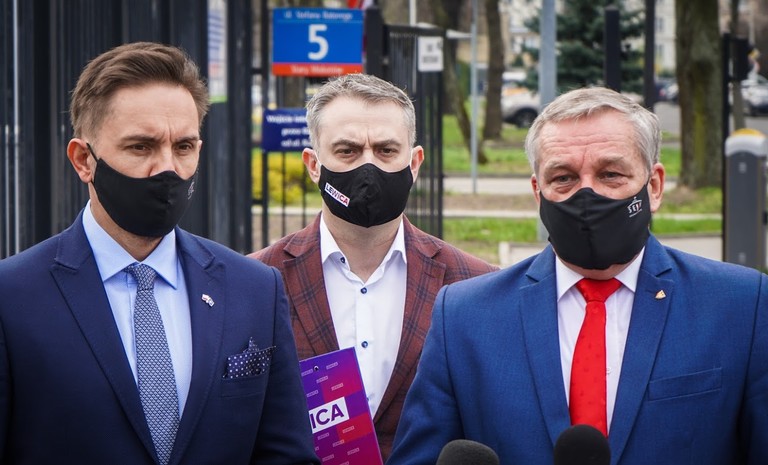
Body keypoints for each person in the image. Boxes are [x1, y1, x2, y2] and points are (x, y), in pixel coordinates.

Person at [388, 87, 768, 464]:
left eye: (610, 174)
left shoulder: (740, 306)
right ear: (538, 192)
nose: (587, 195)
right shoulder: (464, 317)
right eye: (564, 178)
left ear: (653, 186)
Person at [0, 42, 318, 465]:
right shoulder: (12, 297)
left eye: (183, 147)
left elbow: (286, 453)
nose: (167, 168)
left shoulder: (254, 288)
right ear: (83, 160)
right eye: (141, 147)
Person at [248, 73, 498, 461]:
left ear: (414, 163)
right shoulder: (256, 283)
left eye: (385, 150)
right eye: (347, 150)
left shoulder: (475, 284)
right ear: (313, 165)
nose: (369, 166)